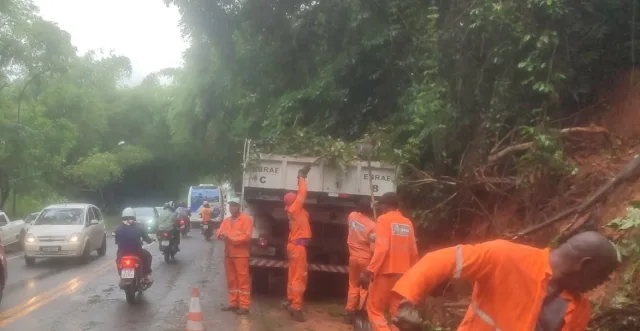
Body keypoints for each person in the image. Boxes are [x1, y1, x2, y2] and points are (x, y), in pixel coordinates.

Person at [391, 231, 621, 331]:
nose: (601, 284)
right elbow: (441, 260)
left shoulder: (579, 309)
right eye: (602, 276)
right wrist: (408, 300)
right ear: (584, 264)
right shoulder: (506, 257)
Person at [360, 192, 418, 331]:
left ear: (385, 205)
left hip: (385, 273)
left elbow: (381, 249)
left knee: (375, 310)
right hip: (403, 275)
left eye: (381, 206)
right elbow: (414, 252)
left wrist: (370, 270)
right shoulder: (407, 222)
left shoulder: (383, 220)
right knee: (397, 313)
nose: (380, 208)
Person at [281, 164, 312, 322]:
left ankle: (291, 300)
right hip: (298, 247)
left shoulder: (291, 210)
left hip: (293, 245)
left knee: (292, 275)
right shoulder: (296, 209)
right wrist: (301, 177)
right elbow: (303, 193)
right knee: (299, 277)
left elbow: (298, 196)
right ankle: (296, 307)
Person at [216, 198, 253, 315]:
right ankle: (233, 303)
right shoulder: (226, 220)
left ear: (239, 207)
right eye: (230, 206)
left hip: (241, 255)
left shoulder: (246, 220)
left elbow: (246, 237)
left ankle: (245, 306)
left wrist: (230, 237)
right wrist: (221, 234)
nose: (232, 208)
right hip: (228, 254)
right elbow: (219, 232)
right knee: (231, 280)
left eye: (234, 206)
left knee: (243, 280)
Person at [344, 197, 377, 324]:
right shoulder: (373, 226)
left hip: (353, 257)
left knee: (353, 285)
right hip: (366, 259)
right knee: (365, 287)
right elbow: (373, 248)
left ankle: (349, 311)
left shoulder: (351, 216)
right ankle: (361, 311)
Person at [115, 207, 154, 283]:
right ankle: (145, 276)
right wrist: (150, 240)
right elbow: (146, 238)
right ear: (134, 216)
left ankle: (121, 275)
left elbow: (117, 241)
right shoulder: (139, 227)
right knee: (148, 256)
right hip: (137, 252)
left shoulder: (118, 229)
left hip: (122, 253)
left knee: (118, 260)